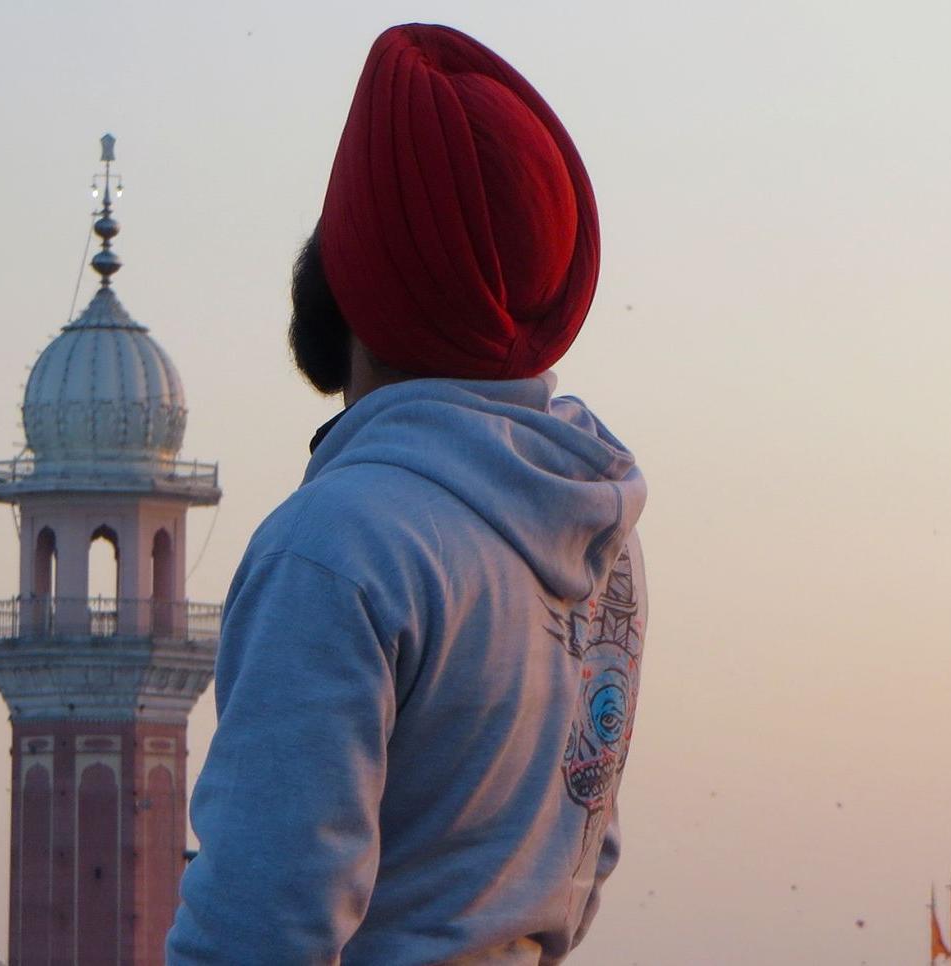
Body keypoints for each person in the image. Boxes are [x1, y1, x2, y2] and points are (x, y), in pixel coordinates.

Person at [170, 23, 647, 964]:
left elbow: (257, 929)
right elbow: (589, 853)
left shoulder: (338, 546)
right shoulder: (600, 528)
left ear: (352, 274)